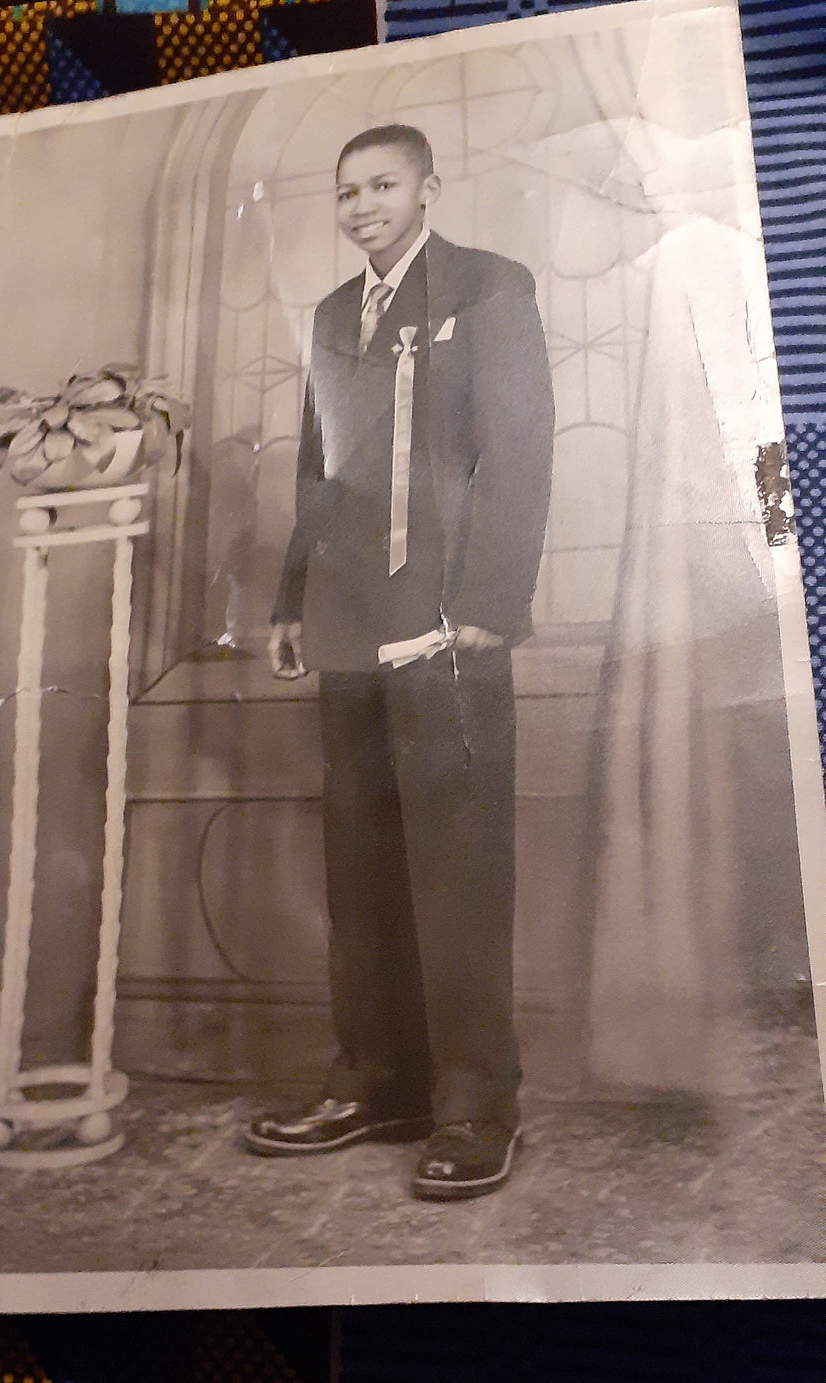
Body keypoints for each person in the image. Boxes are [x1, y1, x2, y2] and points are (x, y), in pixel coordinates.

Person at [244, 124, 554, 1200]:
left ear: (428, 187)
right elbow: (318, 470)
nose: (362, 204)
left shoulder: (488, 287)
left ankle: (476, 1102)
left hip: (447, 626)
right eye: (346, 192)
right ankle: (378, 1081)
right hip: (347, 626)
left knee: (457, 870)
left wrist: (488, 605)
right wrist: (290, 600)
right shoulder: (334, 313)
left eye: (382, 184)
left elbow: (520, 447)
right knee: (361, 868)